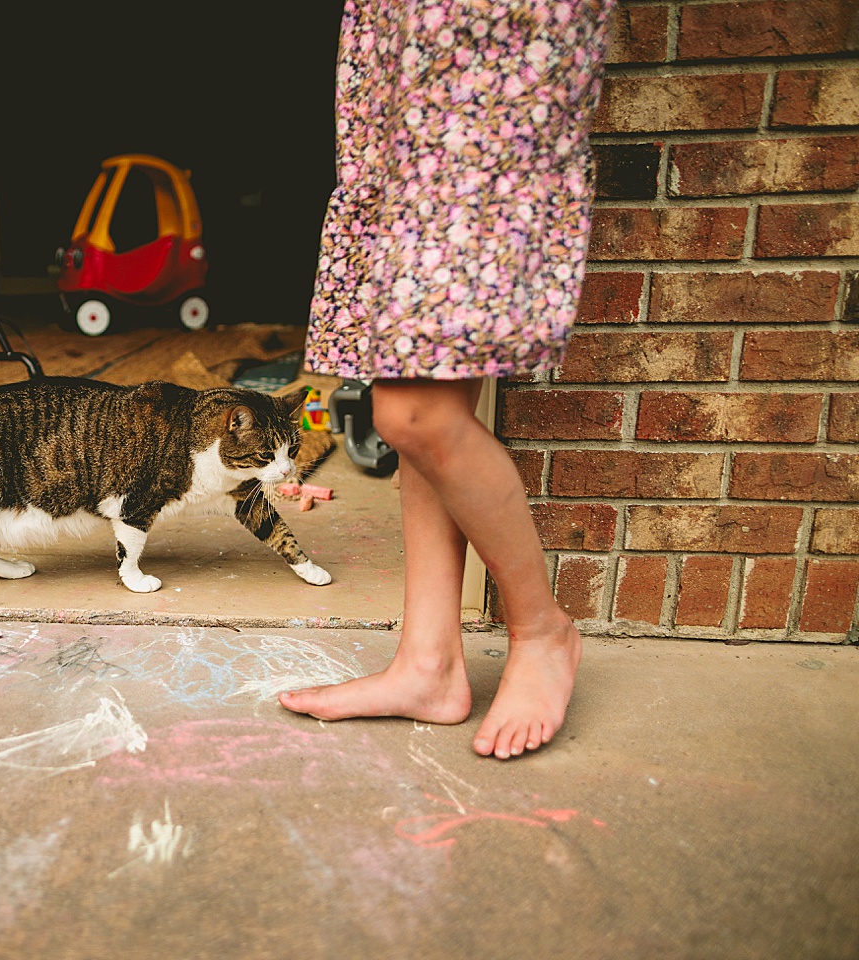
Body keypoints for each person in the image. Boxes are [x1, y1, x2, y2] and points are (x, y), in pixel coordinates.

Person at [279, 0, 616, 759]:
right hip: (407, 53)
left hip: (485, 57)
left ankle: (542, 629)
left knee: (410, 413)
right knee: (420, 375)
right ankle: (429, 664)